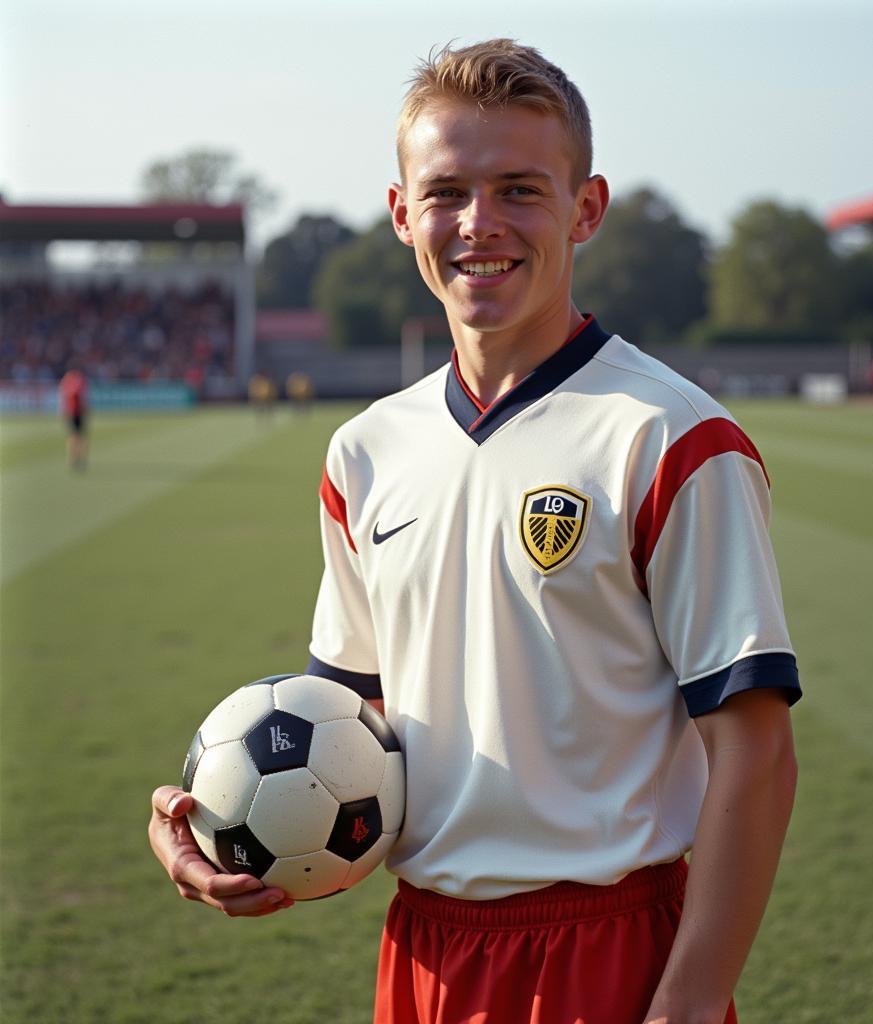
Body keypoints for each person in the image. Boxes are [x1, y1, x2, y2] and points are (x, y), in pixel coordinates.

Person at [149, 39, 801, 1024]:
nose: (478, 225)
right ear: (402, 211)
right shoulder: (363, 452)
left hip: (609, 948)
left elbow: (755, 751)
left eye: (519, 190)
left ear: (586, 209)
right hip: (423, 954)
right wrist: (208, 822)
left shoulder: (670, 438)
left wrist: (692, 997)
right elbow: (341, 722)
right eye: (446, 191)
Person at [59, 362, 89, 470]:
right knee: (76, 436)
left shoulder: (67, 380)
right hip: (74, 412)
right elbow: (76, 396)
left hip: (74, 412)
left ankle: (76, 457)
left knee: (76, 436)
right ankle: (75, 458)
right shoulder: (78, 380)